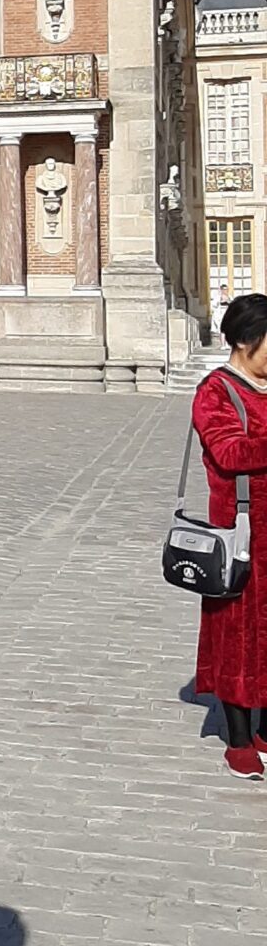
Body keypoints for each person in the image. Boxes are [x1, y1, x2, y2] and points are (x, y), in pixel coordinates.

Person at [192, 292, 267, 779]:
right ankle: (239, 739)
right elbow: (230, 453)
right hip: (242, 532)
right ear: (244, 341)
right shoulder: (215, 392)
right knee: (238, 635)